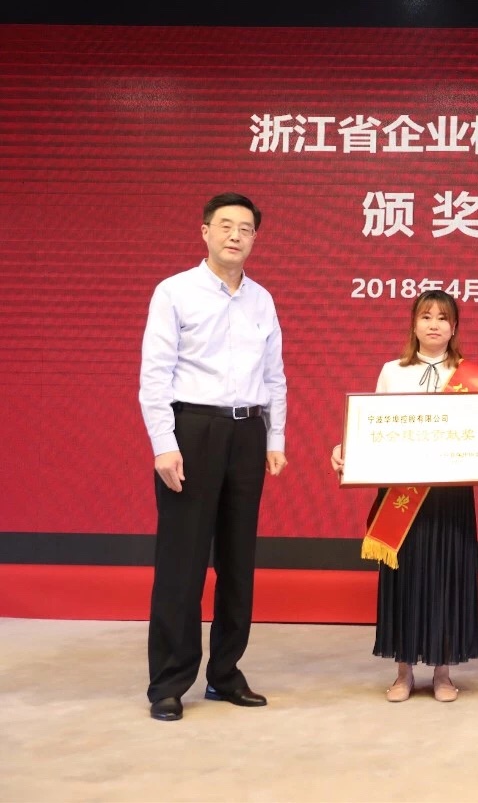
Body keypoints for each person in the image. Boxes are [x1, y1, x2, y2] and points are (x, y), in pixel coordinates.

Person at [139, 192, 287, 722]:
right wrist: (164, 442)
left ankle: (225, 674)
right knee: (182, 562)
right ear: (205, 232)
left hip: (248, 432)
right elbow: (155, 373)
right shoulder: (174, 292)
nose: (234, 236)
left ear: (255, 239)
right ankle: (169, 682)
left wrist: (275, 439)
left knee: (237, 562)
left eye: (245, 229)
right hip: (192, 430)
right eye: (225, 226)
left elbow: (274, 376)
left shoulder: (262, 300)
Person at [331, 291, 478, 703]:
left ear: (454, 327)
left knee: (446, 578)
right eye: (426, 316)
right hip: (401, 495)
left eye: (443, 318)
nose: (434, 324)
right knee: (405, 581)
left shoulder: (469, 375)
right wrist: (346, 450)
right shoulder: (392, 372)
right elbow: (372, 428)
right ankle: (403, 672)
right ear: (413, 324)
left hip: (450, 497)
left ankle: (443, 673)